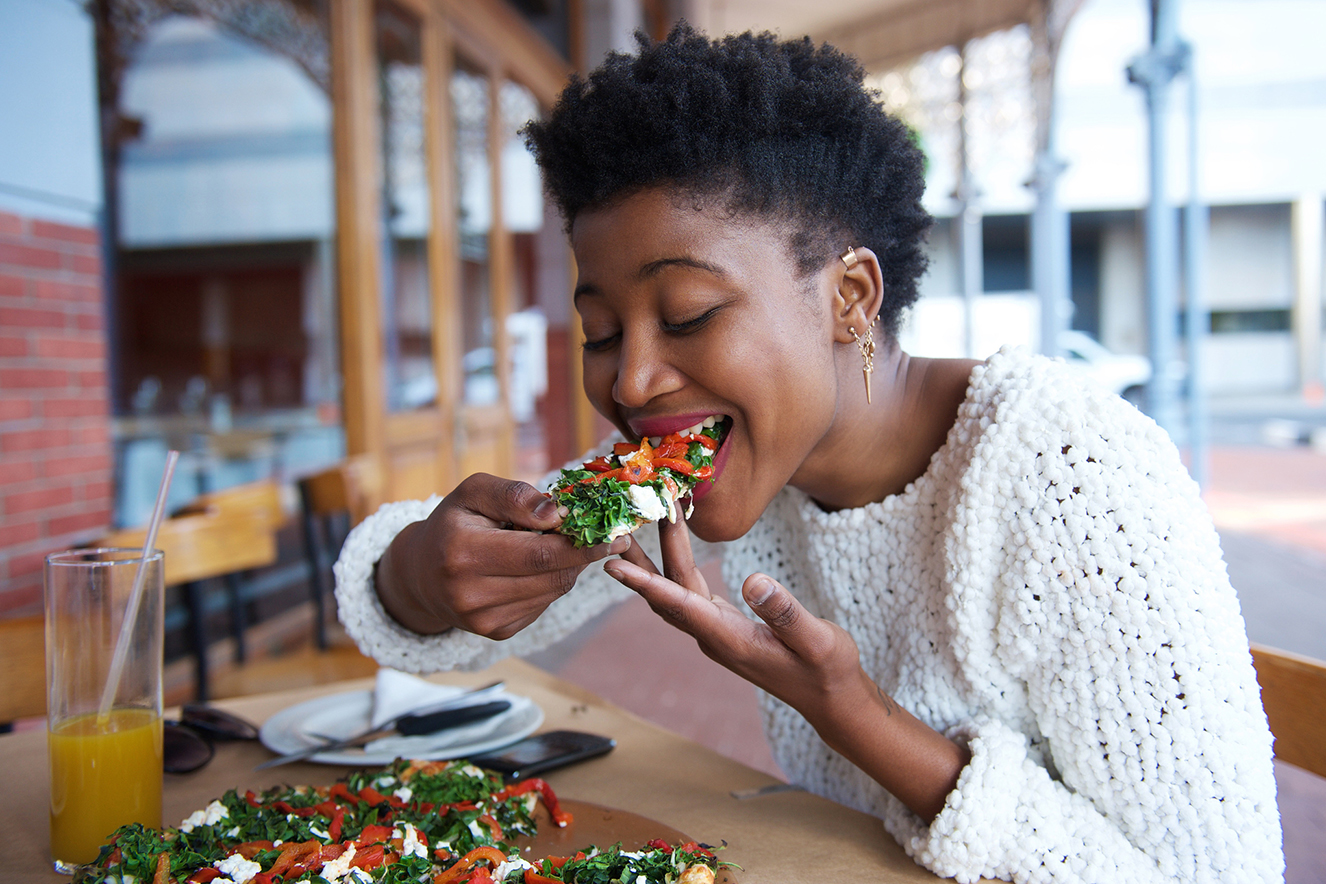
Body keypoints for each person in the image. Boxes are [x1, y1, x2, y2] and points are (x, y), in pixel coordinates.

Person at [334, 25, 1283, 883]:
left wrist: (854, 715)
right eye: (598, 333)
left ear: (850, 298)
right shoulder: (722, 456)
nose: (629, 383)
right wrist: (428, 570)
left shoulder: (1072, 472)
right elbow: (431, 617)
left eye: (689, 315)